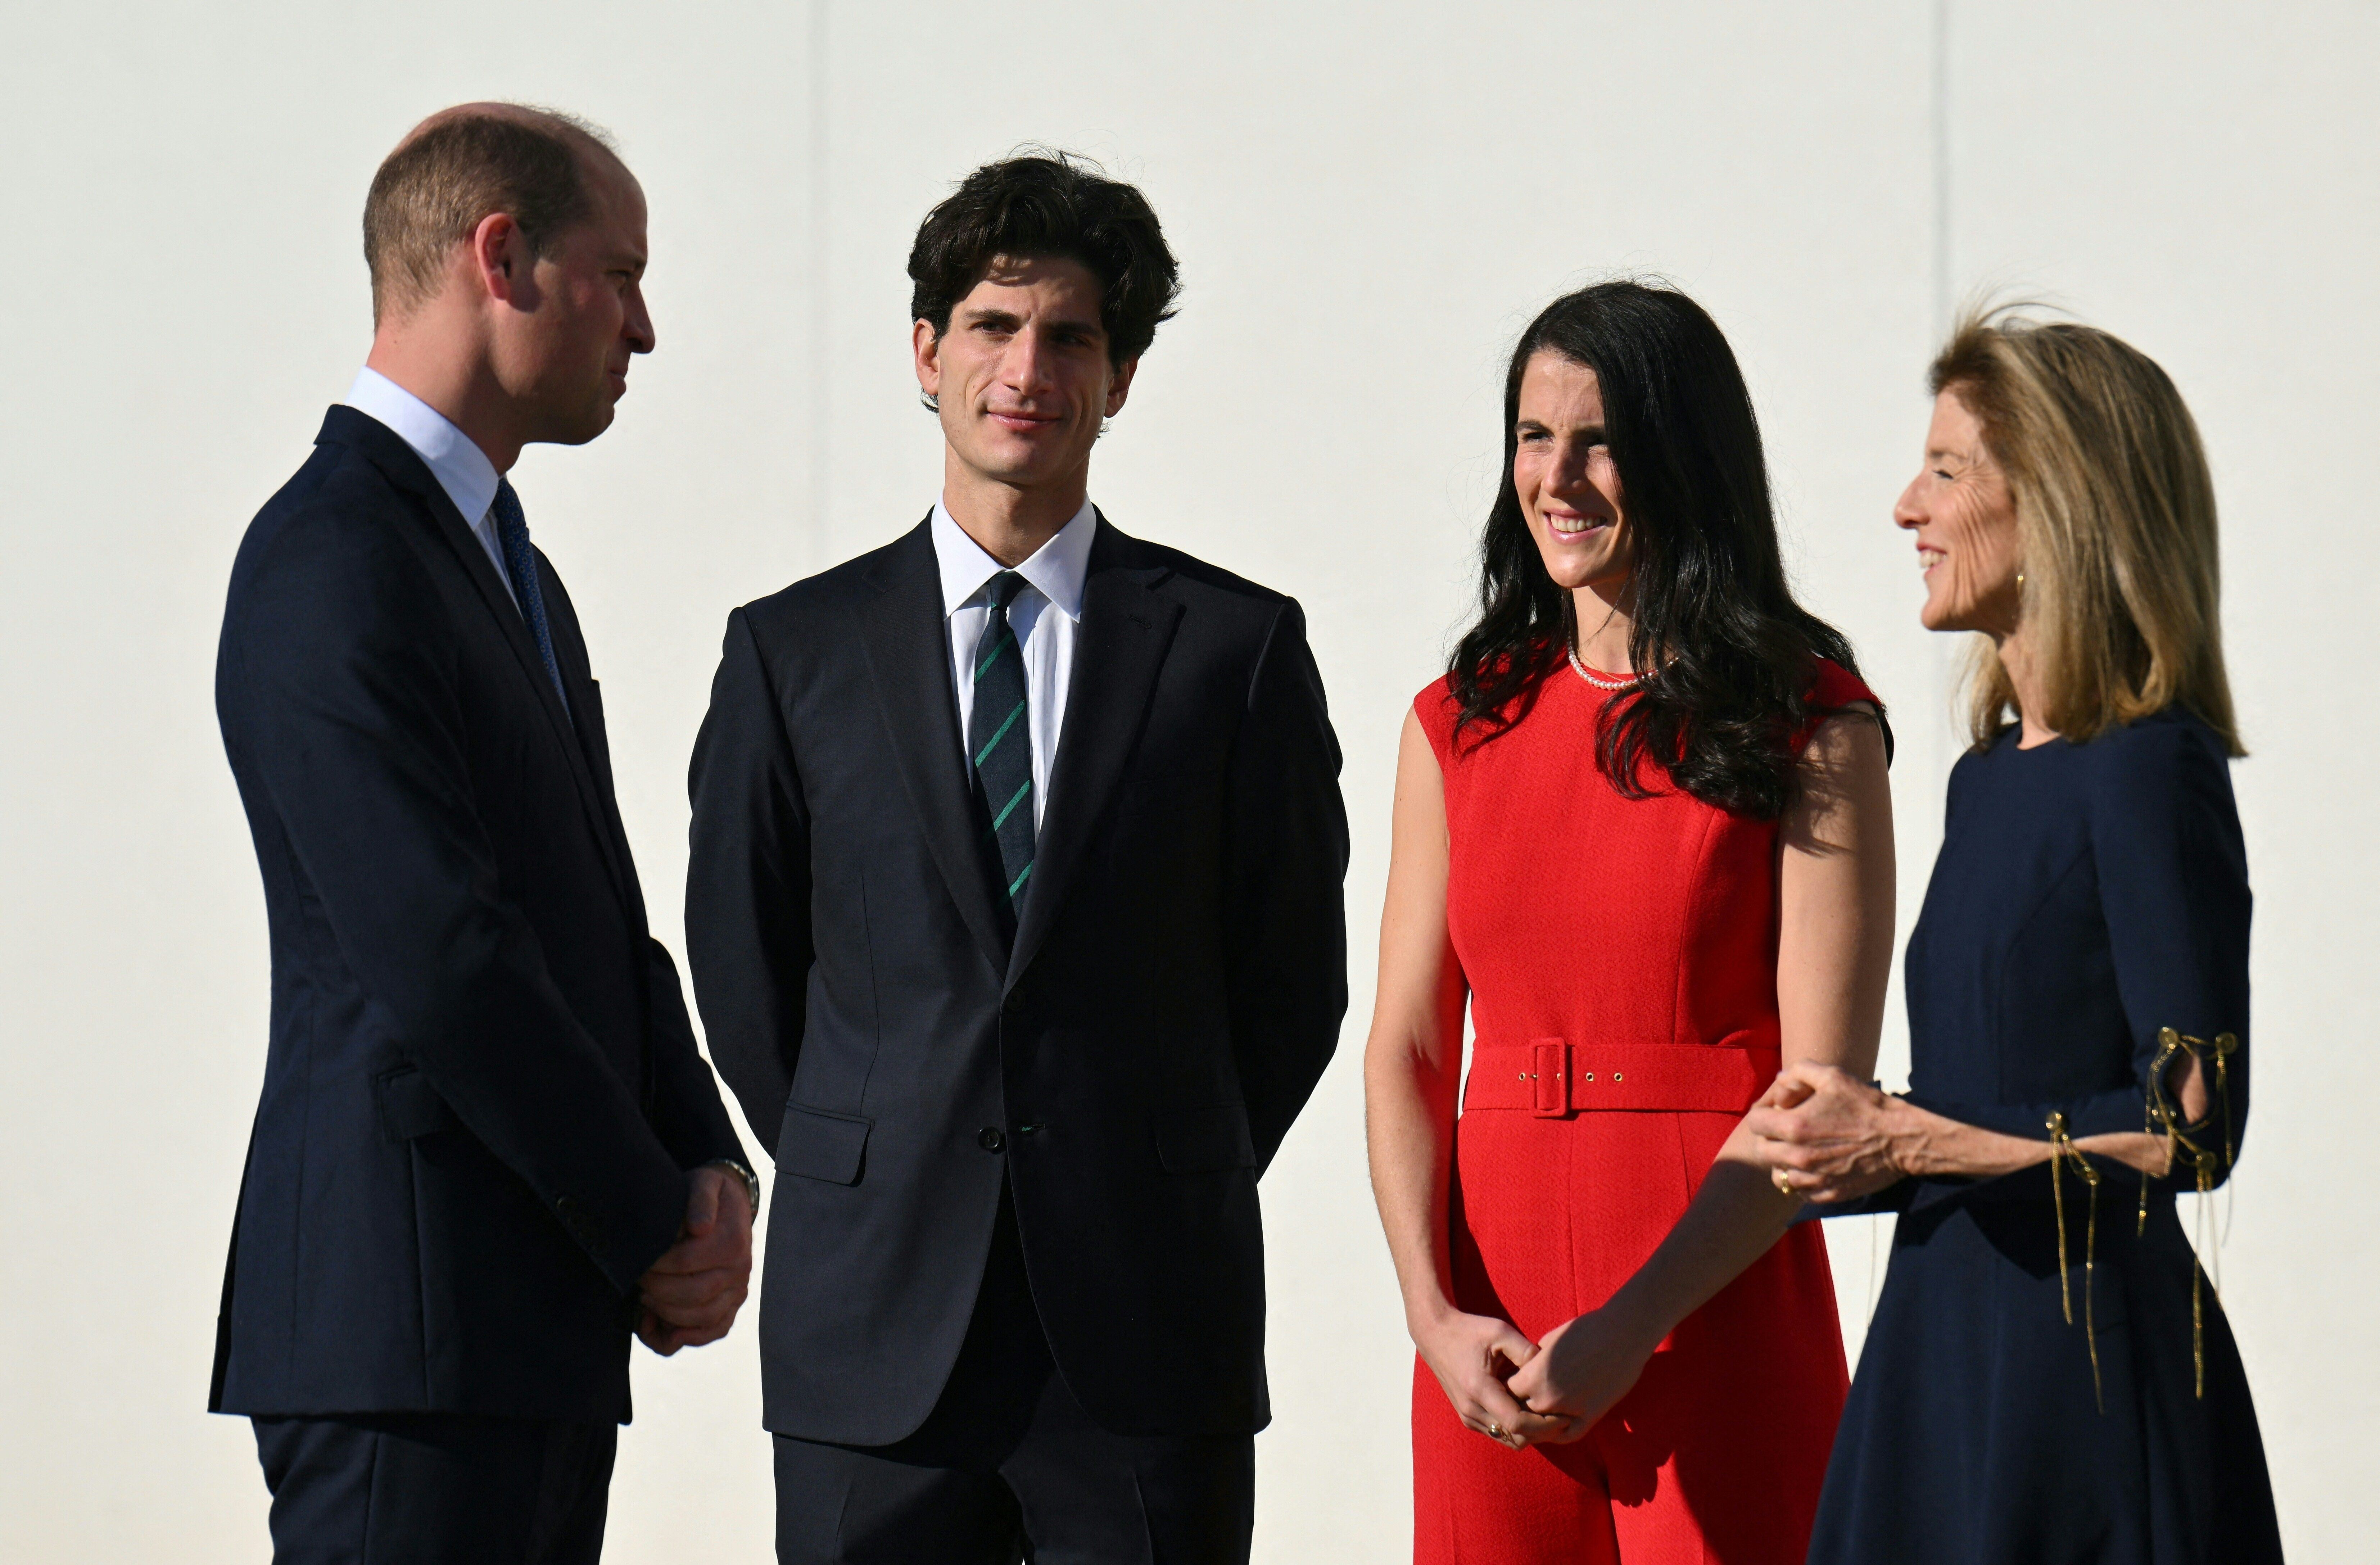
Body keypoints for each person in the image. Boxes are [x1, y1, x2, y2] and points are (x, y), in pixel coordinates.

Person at [684, 151, 1348, 1565]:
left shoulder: (1232, 650)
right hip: (872, 1331)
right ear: (926, 353)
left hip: (1145, 1321)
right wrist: (875, 1150)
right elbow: (741, 965)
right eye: (991, 325)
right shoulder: (792, 652)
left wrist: (1162, 1163)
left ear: (1117, 379)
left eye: (1070, 336)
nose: (1025, 364)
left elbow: (1290, 978)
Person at [210, 105, 755, 1564]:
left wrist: (710, 1165)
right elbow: (442, 954)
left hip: (522, 1334)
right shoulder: (333, 558)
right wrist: (647, 1213)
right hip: (408, 1334)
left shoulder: (509, 564)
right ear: (500, 256)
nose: (644, 328)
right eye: (619, 273)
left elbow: (595, 908)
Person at [1364, 281, 1896, 1563]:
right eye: (1534, 436)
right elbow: (1409, 1050)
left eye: (1600, 439)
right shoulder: (1458, 722)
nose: (1559, 476)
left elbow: (1820, 1092)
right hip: (1488, 1320)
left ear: (1683, 454)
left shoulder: (1812, 721)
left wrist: (1633, 1322)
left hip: (1710, 1290)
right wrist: (1432, 1315)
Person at [1751, 311, 2284, 1563]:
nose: (1905, 507)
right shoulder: (1984, 782)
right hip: (1939, 1351)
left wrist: (1908, 1137)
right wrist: (1851, 1149)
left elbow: (2195, 1131)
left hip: (2081, 1386)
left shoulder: (2153, 770)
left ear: (2053, 503)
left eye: (1946, 470)